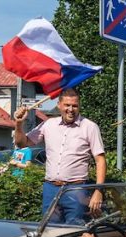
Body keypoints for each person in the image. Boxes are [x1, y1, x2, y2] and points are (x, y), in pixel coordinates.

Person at [13, 88, 106, 224]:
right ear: (59, 105)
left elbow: (100, 160)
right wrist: (18, 123)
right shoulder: (48, 124)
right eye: (67, 105)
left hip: (76, 189)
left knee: (75, 230)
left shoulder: (90, 127)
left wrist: (98, 191)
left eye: (74, 106)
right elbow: (22, 143)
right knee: (50, 230)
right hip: (51, 189)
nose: (71, 109)